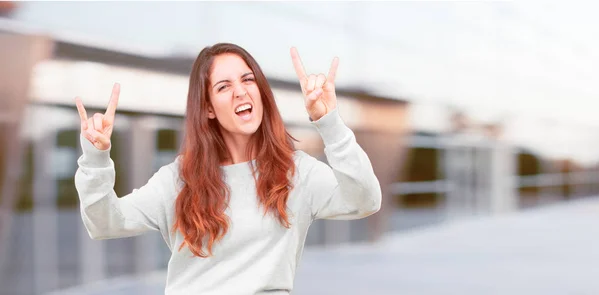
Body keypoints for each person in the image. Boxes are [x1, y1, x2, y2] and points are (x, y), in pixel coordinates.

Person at [74, 43, 381, 295]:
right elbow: (105, 223)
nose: (240, 91)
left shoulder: (296, 171)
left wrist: (330, 123)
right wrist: (96, 158)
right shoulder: (178, 179)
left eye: (248, 80)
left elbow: (366, 200)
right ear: (208, 108)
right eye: (224, 86)